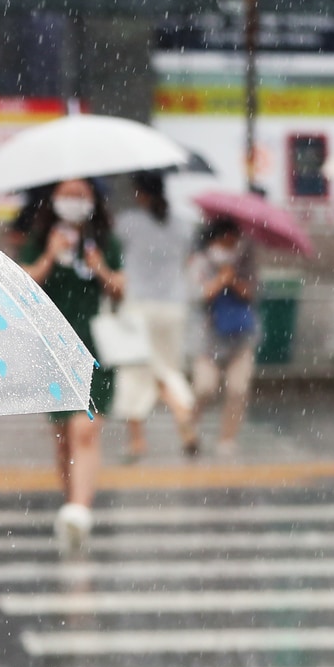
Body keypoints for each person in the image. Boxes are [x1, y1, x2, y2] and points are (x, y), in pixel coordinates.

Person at [19, 178, 125, 550]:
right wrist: (49, 254)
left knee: (85, 430)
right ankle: (71, 507)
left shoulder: (105, 241)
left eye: (81, 194)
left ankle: (79, 511)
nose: (74, 201)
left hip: (97, 348)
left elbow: (121, 289)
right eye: (67, 194)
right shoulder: (41, 237)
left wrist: (99, 267)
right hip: (53, 348)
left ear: (95, 199)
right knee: (64, 437)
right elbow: (23, 284)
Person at [112, 171, 199, 461]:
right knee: (169, 370)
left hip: (139, 306)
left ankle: (137, 441)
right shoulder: (182, 226)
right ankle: (183, 411)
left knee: (135, 374)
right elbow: (186, 259)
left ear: (141, 193)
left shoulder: (128, 224)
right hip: (174, 307)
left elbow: (117, 255)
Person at [189, 217, 260, 458]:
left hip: (241, 337)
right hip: (209, 339)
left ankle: (227, 438)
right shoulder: (200, 262)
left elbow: (253, 294)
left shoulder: (245, 262)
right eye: (225, 241)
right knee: (204, 388)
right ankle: (191, 426)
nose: (229, 247)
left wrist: (235, 280)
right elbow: (198, 296)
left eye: (234, 242)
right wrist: (220, 279)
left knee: (238, 389)